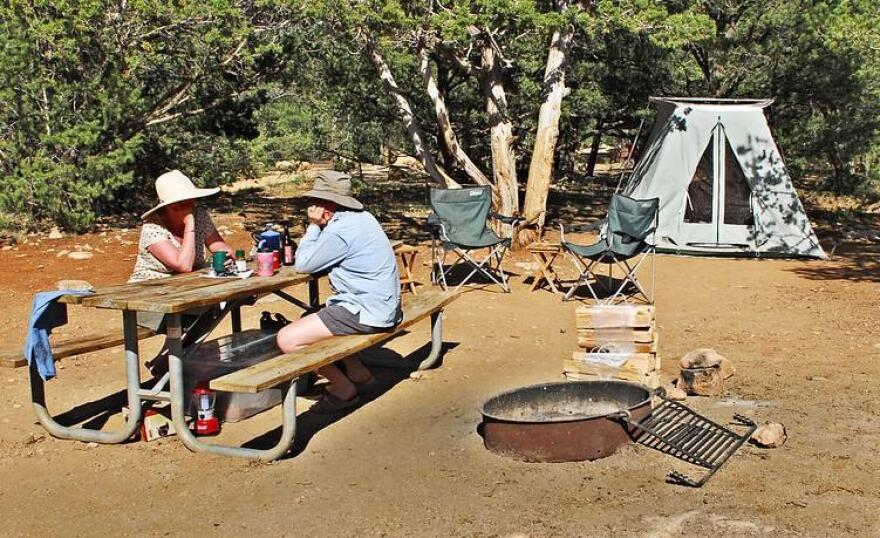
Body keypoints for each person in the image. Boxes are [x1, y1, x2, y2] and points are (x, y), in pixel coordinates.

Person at [276, 170, 401, 414]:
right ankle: (359, 374)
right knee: (312, 317)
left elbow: (303, 264)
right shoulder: (363, 218)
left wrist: (313, 226)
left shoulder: (340, 230)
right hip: (382, 305)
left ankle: (343, 389)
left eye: (315, 201)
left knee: (287, 339)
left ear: (326, 204)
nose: (310, 206)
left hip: (368, 310)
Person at [130, 170, 234, 332]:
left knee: (217, 306)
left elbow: (220, 247)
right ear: (172, 205)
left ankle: (172, 357)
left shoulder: (199, 214)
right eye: (186, 200)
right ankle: (169, 358)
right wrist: (189, 225)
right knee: (202, 311)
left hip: (186, 293)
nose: (192, 203)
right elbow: (183, 265)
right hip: (149, 300)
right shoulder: (153, 227)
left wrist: (226, 256)